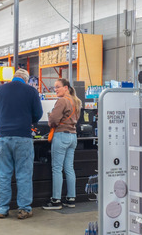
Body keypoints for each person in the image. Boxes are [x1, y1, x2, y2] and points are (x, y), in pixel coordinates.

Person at [0, 68, 43, 220]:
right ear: (26, 80)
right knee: (24, 174)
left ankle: (2, 209)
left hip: (4, 137)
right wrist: (27, 119)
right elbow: (38, 113)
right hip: (23, 137)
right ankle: (24, 209)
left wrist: (5, 116)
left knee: (4, 174)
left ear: (14, 78)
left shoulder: (1, 90)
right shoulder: (30, 91)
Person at [43, 78, 82, 210]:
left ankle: (56, 200)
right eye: (55, 87)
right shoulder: (76, 101)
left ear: (66, 87)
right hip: (72, 136)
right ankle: (71, 199)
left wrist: (50, 122)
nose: (56, 90)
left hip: (61, 135)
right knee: (69, 168)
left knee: (57, 169)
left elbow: (53, 119)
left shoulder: (62, 101)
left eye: (58, 87)